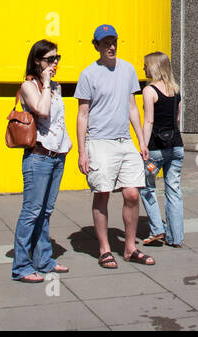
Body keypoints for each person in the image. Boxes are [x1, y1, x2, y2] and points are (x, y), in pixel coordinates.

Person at [76, 24, 154, 269]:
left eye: (114, 41)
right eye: (106, 42)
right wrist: (82, 152)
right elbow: (82, 114)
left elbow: (132, 106)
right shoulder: (88, 74)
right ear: (96, 45)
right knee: (102, 194)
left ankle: (130, 247)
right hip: (99, 142)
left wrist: (141, 140)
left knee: (132, 193)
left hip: (124, 141)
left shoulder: (128, 69)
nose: (111, 46)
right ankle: (104, 249)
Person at [11, 40, 72, 282]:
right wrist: (46, 83)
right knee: (31, 212)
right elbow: (42, 111)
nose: (55, 63)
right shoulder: (29, 85)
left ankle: (44, 259)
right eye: (50, 59)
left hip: (57, 156)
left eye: (57, 58)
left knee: (45, 211)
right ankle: (22, 266)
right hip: (38, 156)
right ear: (37, 61)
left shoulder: (56, 87)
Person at [139, 51, 185, 248]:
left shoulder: (149, 91)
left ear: (154, 67)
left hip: (156, 150)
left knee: (147, 187)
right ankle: (176, 238)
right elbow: (177, 120)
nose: (143, 69)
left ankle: (157, 229)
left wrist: (143, 145)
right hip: (176, 147)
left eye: (146, 65)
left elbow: (149, 120)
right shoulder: (176, 90)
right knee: (173, 190)